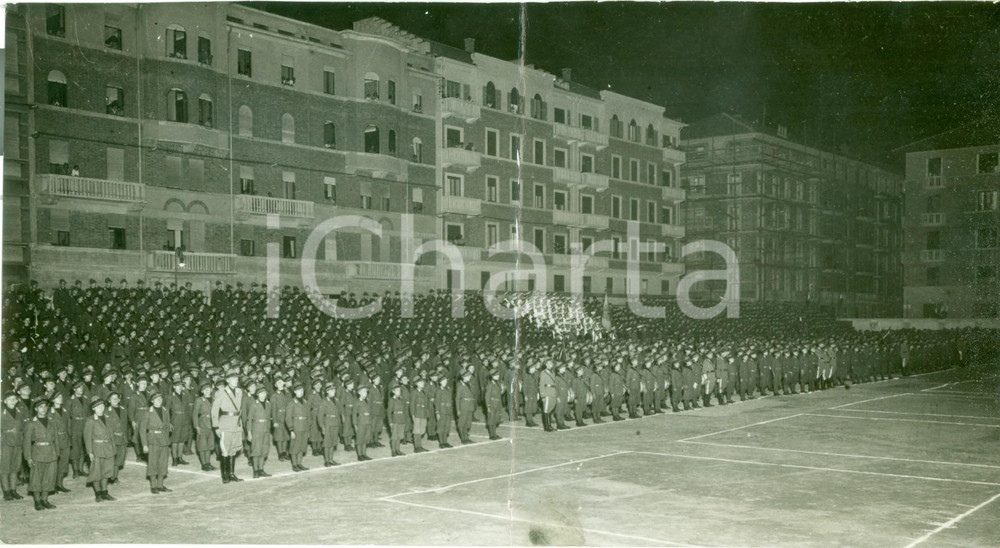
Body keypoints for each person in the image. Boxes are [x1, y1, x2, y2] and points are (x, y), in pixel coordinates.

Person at [23, 399, 59, 510]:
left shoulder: (52, 422)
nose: (43, 408)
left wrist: (57, 453)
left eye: (45, 406)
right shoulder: (31, 424)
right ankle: (37, 501)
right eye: (40, 407)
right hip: (37, 453)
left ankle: (45, 500)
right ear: (36, 409)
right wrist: (28, 457)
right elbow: (26, 442)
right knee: (36, 478)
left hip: (51, 453)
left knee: (49, 478)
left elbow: (56, 439)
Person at [210, 370, 244, 483]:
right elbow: (214, 410)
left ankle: (232, 474)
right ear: (227, 380)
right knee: (225, 449)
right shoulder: (221, 392)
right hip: (225, 424)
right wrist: (216, 427)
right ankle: (225, 475)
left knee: (233, 450)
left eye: (237, 379)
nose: (236, 381)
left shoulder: (239, 391)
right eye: (233, 379)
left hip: (237, 424)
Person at [83, 399, 116, 502]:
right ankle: (98, 494)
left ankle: (105, 492)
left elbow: (111, 435)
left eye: (102, 406)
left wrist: (113, 448)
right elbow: (87, 437)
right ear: (93, 409)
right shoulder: (90, 420)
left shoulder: (108, 418)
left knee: (107, 471)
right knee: (96, 472)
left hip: (108, 448)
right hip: (97, 448)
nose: (101, 408)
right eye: (98, 407)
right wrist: (90, 452)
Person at [140, 391, 171, 494]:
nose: (159, 401)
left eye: (161, 399)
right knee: (153, 462)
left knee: (163, 462)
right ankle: (153, 486)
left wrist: (166, 438)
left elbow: (166, 426)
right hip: (152, 440)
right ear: (152, 401)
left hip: (163, 439)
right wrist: (144, 444)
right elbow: (142, 429)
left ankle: (160, 485)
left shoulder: (165, 410)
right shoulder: (148, 412)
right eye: (157, 399)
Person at [2, 392, 24, 501]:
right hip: (5, 444)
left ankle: (13, 490)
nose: (13, 401)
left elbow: (22, 428)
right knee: (5, 468)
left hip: (17, 443)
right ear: (5, 401)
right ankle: (6, 491)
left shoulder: (19, 412)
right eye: (10, 399)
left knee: (15, 468)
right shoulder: (2, 413)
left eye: (15, 399)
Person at [246, 385, 272, 478]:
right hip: (256, 430)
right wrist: (249, 432)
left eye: (264, 393)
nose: (263, 395)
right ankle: (255, 470)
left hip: (266, 429)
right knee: (256, 450)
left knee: (264, 450)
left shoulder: (268, 404)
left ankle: (261, 469)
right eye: (261, 393)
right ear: (257, 395)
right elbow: (249, 419)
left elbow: (269, 418)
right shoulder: (254, 404)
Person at [285, 383, 311, 472]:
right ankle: (294, 464)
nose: (301, 392)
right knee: (294, 447)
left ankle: (299, 463)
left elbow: (308, 416)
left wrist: (308, 428)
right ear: (295, 392)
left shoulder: (306, 402)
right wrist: (291, 430)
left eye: (302, 390)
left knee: (302, 446)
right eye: (299, 390)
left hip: (304, 427)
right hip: (296, 427)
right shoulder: (291, 403)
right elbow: (288, 418)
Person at [191, 382, 216, 471]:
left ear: (211, 390)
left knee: (209, 445)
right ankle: (204, 464)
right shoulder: (199, 400)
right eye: (205, 390)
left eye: (208, 389)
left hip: (212, 424)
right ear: (202, 391)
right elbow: (194, 414)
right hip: (202, 424)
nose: (207, 391)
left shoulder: (214, 399)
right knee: (202, 445)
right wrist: (196, 426)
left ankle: (208, 463)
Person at [316, 383, 341, 467]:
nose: (333, 391)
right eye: (331, 390)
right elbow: (319, 416)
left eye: (334, 390)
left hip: (335, 423)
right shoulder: (324, 402)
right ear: (327, 391)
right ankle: (326, 460)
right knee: (327, 443)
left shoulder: (336, 400)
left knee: (333, 442)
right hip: (328, 423)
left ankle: (331, 459)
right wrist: (322, 427)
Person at [105, 393, 128, 485]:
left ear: (119, 399)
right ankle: (109, 477)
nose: (115, 400)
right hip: (112, 438)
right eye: (113, 399)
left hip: (122, 438)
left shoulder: (123, 409)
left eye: (116, 398)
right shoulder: (106, 411)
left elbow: (126, 425)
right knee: (111, 459)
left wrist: (126, 437)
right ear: (109, 401)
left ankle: (114, 476)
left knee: (119, 459)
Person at [409, 378, 429, 453]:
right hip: (417, 413)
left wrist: (427, 414)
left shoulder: (424, 392)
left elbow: (426, 404)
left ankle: (420, 446)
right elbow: (412, 404)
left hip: (423, 414)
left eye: (423, 382)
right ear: (417, 384)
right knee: (416, 431)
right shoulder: (414, 393)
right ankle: (416, 447)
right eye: (421, 382)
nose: (422, 383)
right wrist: (412, 414)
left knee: (421, 430)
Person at [353, 386, 373, 461]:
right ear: (359, 393)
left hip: (367, 421)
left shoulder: (367, 400)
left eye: (366, 392)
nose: (365, 393)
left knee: (365, 438)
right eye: (364, 391)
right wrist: (355, 424)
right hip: (361, 422)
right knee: (359, 439)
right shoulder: (357, 402)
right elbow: (354, 413)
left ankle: (364, 454)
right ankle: (359, 454)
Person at [387, 385, 407, 456]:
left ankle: (398, 450)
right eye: (397, 390)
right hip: (395, 419)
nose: (399, 392)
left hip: (401, 419)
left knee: (399, 436)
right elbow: (389, 412)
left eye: (399, 390)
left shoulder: (401, 399)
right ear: (393, 391)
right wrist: (390, 422)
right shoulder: (392, 400)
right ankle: (393, 451)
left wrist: (404, 420)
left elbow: (404, 410)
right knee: (394, 436)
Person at [434, 377, 453, 448]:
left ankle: (445, 441)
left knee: (446, 426)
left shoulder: (448, 389)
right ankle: (441, 442)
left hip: (448, 410)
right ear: (440, 382)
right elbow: (436, 402)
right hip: (442, 410)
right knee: (441, 426)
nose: (445, 382)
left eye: (446, 381)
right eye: (443, 381)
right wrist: (437, 412)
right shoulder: (439, 391)